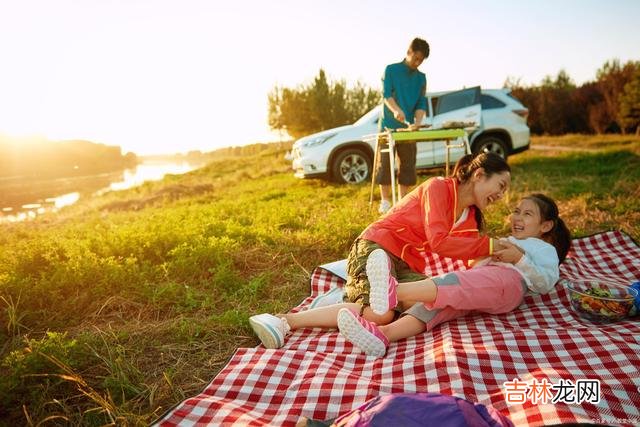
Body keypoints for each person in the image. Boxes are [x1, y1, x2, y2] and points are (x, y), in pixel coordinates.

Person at [249, 152, 511, 350]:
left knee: (434, 298)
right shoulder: (439, 187)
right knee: (380, 313)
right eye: (501, 186)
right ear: (479, 175)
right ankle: (283, 321)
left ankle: (376, 321)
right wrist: (491, 245)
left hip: (408, 266)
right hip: (379, 245)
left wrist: (498, 262)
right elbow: (439, 241)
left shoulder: (470, 218)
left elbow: (471, 258)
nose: (501, 195)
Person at [336, 193, 572, 357]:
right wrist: (484, 255)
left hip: (509, 284)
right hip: (485, 286)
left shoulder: (543, 249)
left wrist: (517, 258)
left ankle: (392, 291)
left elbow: (546, 282)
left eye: (527, 214)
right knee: (437, 304)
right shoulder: (506, 241)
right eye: (516, 211)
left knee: (451, 284)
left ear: (546, 226)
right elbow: (475, 269)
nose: (517, 217)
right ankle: (384, 335)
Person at [376, 37, 430, 214]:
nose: (418, 63)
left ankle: (402, 203)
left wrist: (418, 122)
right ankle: (385, 202)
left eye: (421, 60)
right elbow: (386, 95)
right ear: (409, 52)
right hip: (389, 126)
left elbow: (421, 102)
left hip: (408, 129)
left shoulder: (421, 78)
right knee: (385, 165)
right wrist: (396, 110)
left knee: (407, 165)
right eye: (416, 58)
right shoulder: (391, 70)